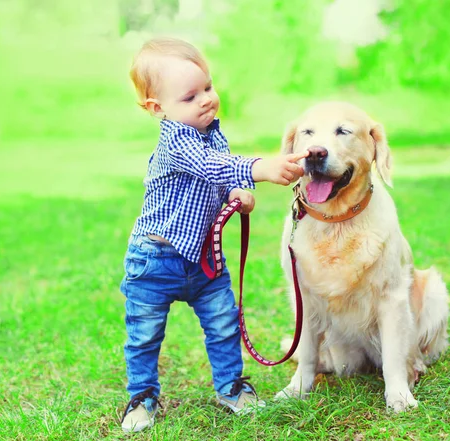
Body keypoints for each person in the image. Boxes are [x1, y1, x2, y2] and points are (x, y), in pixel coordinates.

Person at [120, 37, 307, 433]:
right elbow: (209, 166)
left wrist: (237, 194)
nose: (206, 99)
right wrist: (262, 168)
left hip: (204, 259)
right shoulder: (176, 142)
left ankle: (231, 387)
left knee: (224, 323)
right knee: (144, 334)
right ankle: (142, 395)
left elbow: (215, 175)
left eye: (207, 87)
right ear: (158, 108)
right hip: (155, 260)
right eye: (190, 96)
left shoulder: (212, 135)